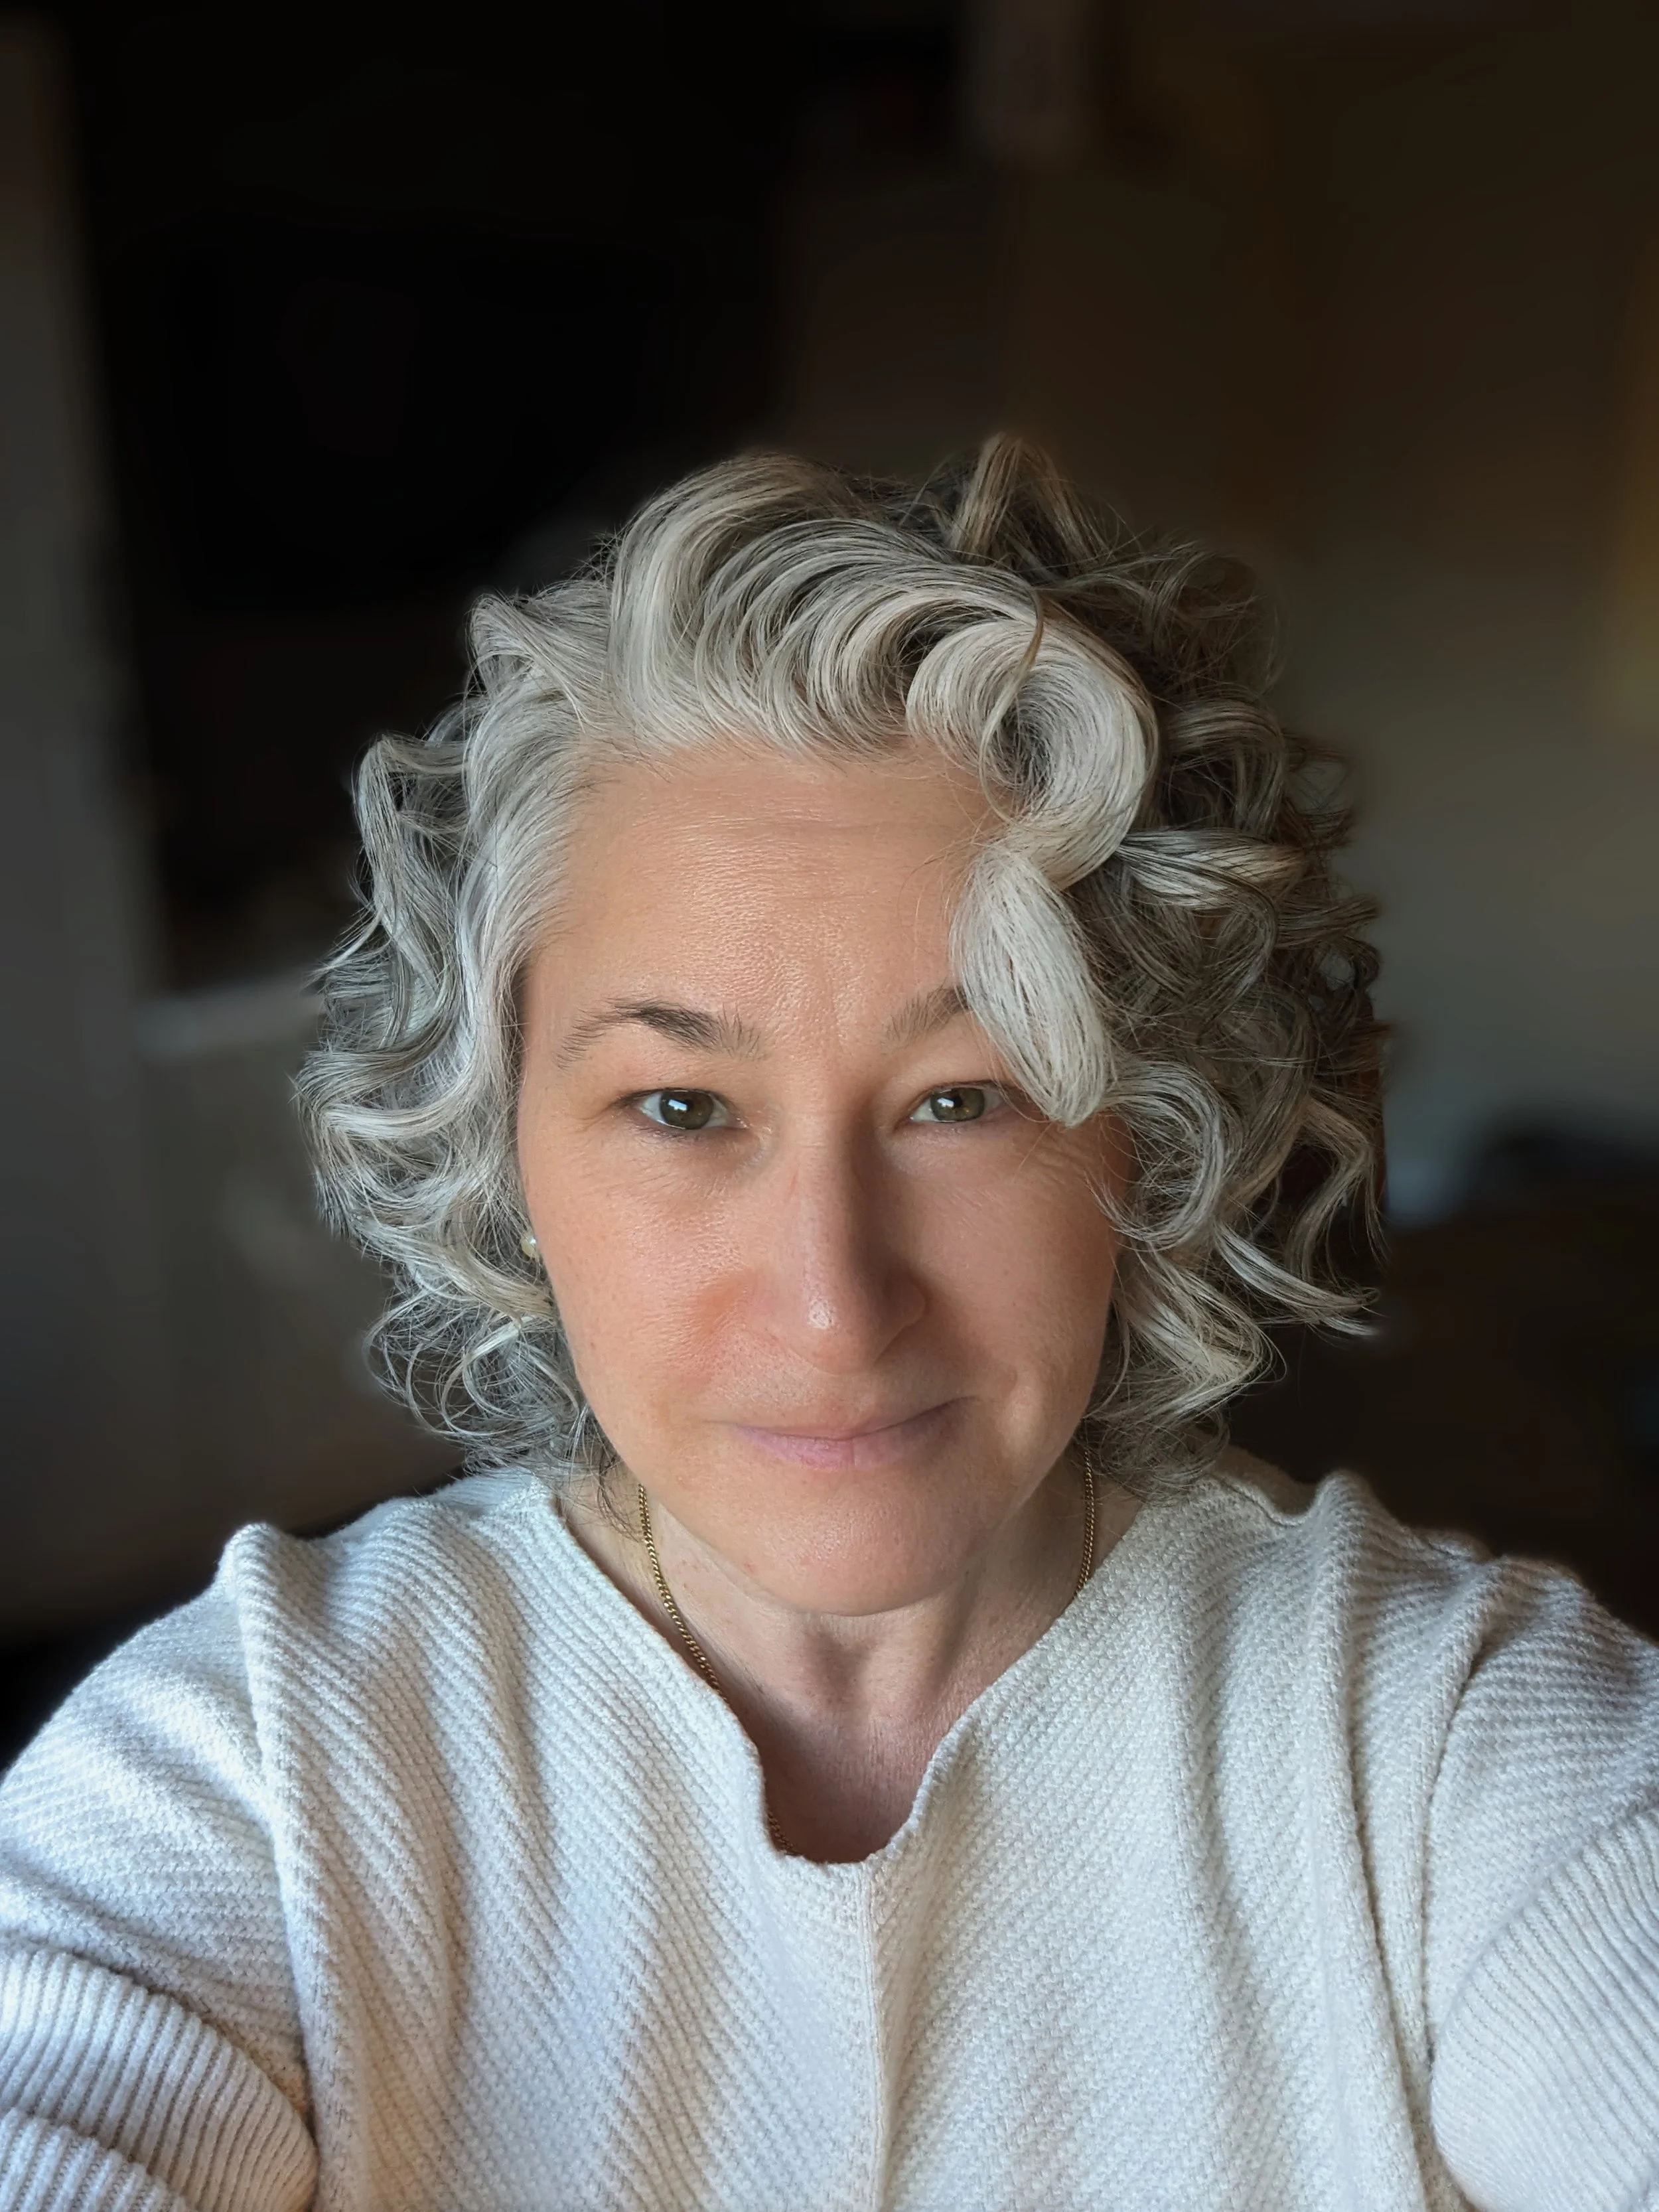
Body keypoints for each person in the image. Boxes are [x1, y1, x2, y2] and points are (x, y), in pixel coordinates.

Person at [0, 439, 1654, 2212]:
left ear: (1157, 1136)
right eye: (681, 1108)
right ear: (501, 1149)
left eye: (965, 1098)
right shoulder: (246, 1775)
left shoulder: (1459, 1753)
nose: (832, 1300)